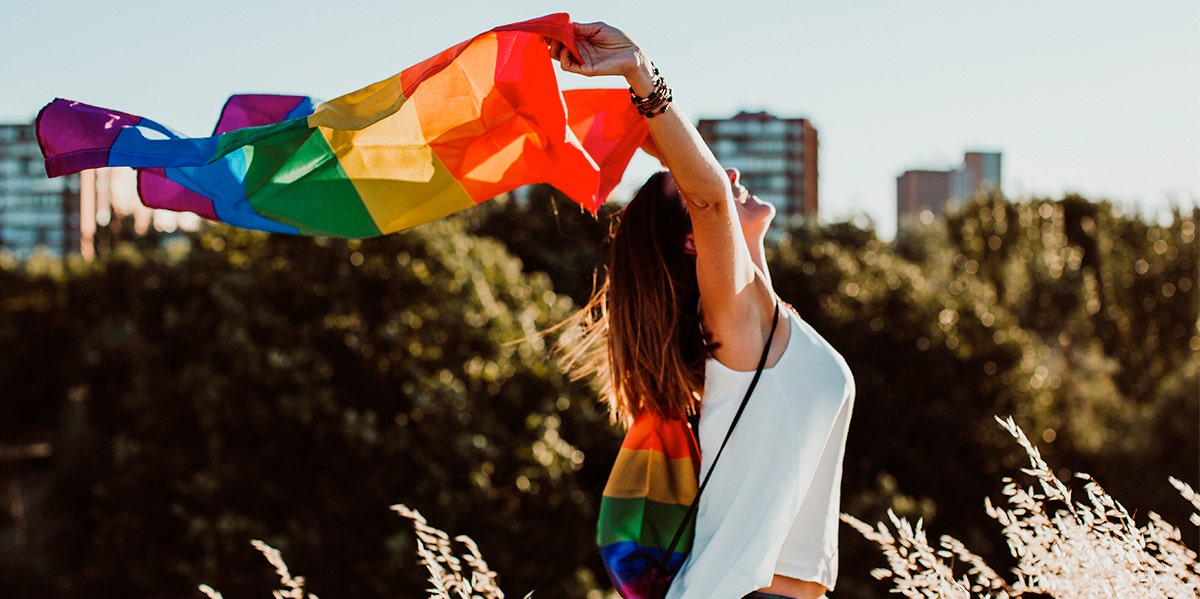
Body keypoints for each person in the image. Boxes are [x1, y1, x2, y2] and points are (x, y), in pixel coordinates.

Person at [549, 22, 855, 599]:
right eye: (690, 190)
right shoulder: (736, 329)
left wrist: (654, 136)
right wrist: (639, 71)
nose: (728, 174)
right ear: (694, 239)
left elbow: (715, 199)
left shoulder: (759, 325)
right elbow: (711, 194)